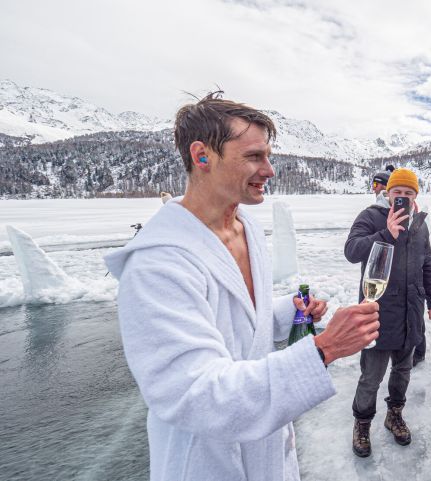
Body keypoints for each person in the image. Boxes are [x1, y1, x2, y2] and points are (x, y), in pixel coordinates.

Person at [103, 92, 380, 481]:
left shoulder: (245, 228)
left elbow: (241, 320)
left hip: (266, 454)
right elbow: (197, 395)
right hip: (206, 465)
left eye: (268, 156)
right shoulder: (157, 265)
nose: (269, 170)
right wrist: (325, 348)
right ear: (202, 156)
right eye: (253, 156)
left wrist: (289, 311)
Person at [344, 168, 431, 458]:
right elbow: (351, 251)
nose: (403, 198)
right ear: (388, 193)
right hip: (378, 311)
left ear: (415, 197)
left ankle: (394, 414)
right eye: (397, 193)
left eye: (408, 194)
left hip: (411, 310)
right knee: (371, 376)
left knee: (402, 370)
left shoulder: (419, 224)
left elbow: (428, 263)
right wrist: (385, 232)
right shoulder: (371, 216)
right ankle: (362, 424)